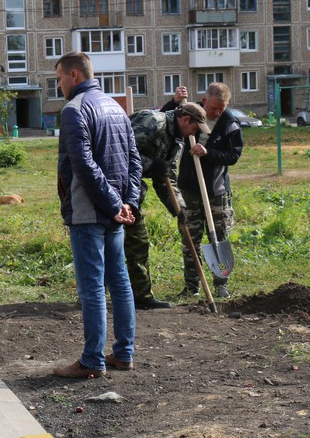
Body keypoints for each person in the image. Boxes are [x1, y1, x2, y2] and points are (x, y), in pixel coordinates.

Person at [54, 52, 142, 378]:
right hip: (114, 211)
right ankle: (124, 353)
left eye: (60, 78)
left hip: (90, 212)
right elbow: (135, 160)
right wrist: (127, 203)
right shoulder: (116, 106)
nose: (59, 85)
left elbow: (84, 165)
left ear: (74, 75)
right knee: (119, 283)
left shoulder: (74, 110)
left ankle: (92, 360)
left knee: (92, 288)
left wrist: (114, 204)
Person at [125, 103, 211, 309]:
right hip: (112, 189)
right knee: (109, 244)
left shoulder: (178, 142)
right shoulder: (153, 122)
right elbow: (120, 151)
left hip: (133, 193)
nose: (196, 133)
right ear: (185, 120)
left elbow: (167, 178)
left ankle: (142, 298)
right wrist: (150, 165)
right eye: (195, 128)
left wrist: (178, 209)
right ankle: (94, 297)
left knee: (139, 243)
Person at [161, 83, 242, 299]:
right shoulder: (190, 112)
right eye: (214, 108)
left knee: (220, 236)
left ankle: (221, 283)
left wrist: (209, 152)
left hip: (217, 191)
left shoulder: (229, 122)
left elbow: (233, 156)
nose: (217, 112)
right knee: (190, 239)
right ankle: (192, 286)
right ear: (204, 101)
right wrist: (175, 101)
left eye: (221, 108)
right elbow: (165, 119)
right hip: (189, 188)